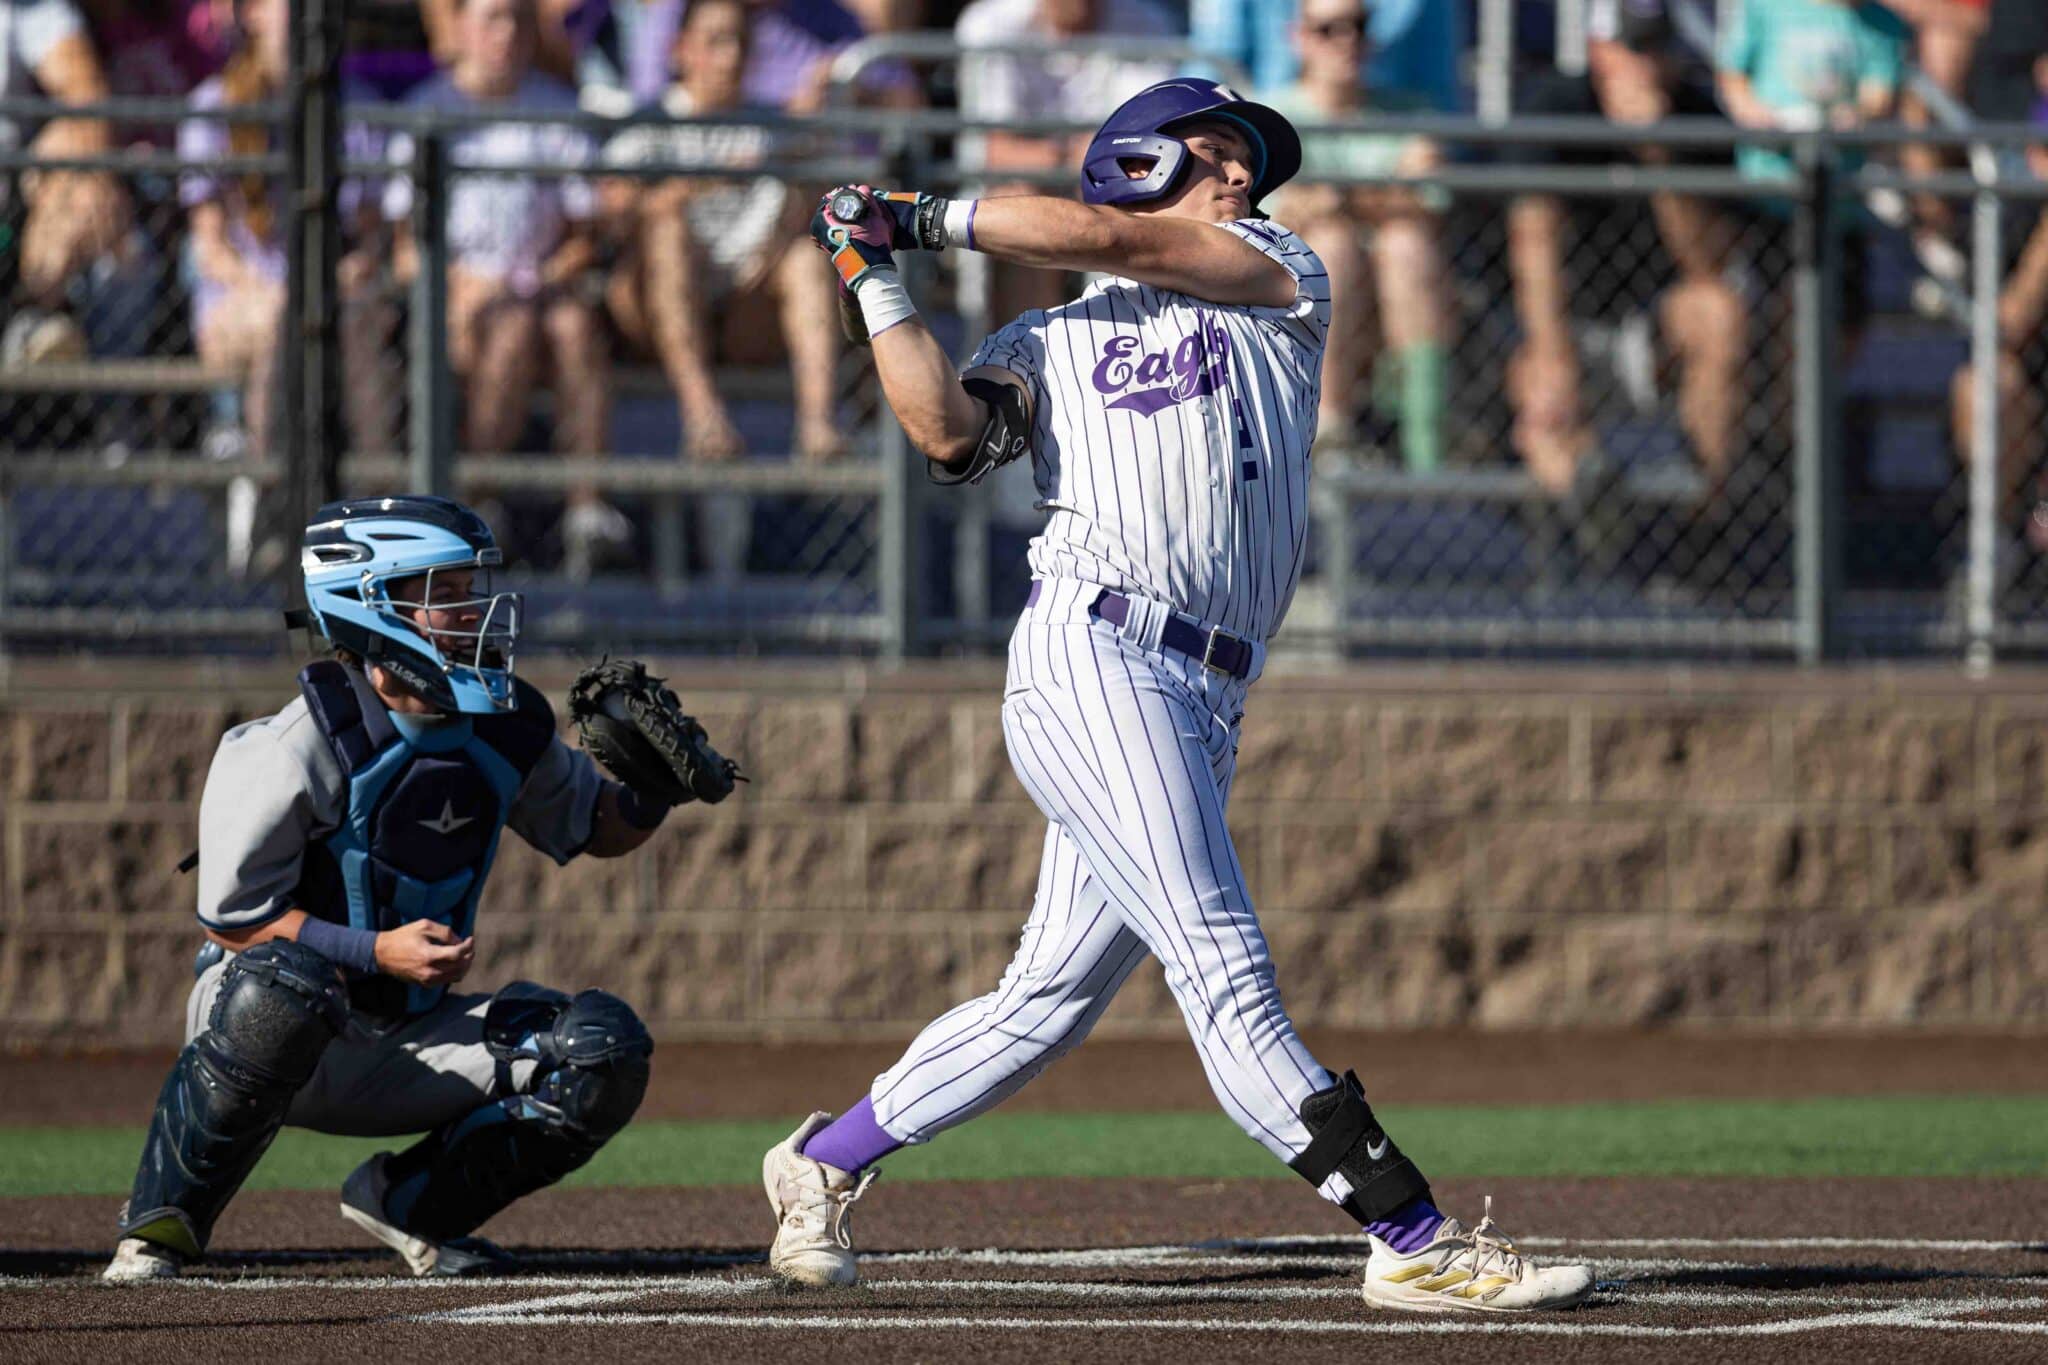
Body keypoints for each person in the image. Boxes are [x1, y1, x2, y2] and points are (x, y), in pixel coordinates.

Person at [761, 77, 1594, 1315]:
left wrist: (921, 214)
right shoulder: (1039, 340)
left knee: (1043, 1005)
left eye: (1245, 159)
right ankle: (1410, 1237)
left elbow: (1117, 242)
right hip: (1093, 656)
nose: (1242, 175)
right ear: (1131, 158)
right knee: (1220, 962)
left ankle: (815, 1167)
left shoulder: (1271, 266)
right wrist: (870, 272)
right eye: (1213, 152)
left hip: (1203, 689)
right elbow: (943, 432)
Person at [99, 495, 722, 1282]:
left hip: (410, 1041)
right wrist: (373, 950)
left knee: (601, 1050)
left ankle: (413, 1207)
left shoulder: (500, 723)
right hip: (273, 1030)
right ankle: (161, 1226)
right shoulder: (293, 745)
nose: (473, 613)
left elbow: (595, 827)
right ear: (371, 603)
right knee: (285, 988)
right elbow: (234, 923)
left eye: (470, 590)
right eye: (445, 594)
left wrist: (654, 791)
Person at [385, 0, 623, 580]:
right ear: (461, 27)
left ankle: (586, 511)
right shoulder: (426, 114)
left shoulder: (557, 110)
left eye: (519, 19)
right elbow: (403, 250)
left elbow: (584, 239)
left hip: (541, 292)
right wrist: (459, 292)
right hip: (456, 302)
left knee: (573, 325)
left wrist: (539, 279)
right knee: (512, 324)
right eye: (494, 19)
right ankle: (479, 503)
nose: (509, 34)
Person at [1504, 0, 1745, 525]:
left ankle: (1708, 517)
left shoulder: (1697, 114)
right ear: (1599, 50)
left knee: (1720, 311)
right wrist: (1552, 353)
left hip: (1653, 328)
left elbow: (1708, 264)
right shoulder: (1556, 103)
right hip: (1569, 325)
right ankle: (1592, 511)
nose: (1650, 65)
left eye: (1660, 48)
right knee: (1535, 377)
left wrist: (1659, 154)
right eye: (1635, 48)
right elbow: (1534, 237)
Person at [600, 0, 845, 465]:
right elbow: (610, 211)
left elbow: (833, 194)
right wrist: (712, 178)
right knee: (667, 233)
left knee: (807, 257)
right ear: (681, 50)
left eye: (740, 43)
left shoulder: (773, 127)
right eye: (716, 42)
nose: (730, 56)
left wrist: (812, 123)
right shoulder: (652, 123)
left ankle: (819, 427)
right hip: (657, 308)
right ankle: (704, 419)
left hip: (747, 305)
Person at [1262, 0, 1447, 469]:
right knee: (1334, 247)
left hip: (1393, 291)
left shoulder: (1409, 112)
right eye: (1330, 29)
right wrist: (1379, 198)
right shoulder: (1266, 117)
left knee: (1405, 245)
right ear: (1299, 38)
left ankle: (1426, 444)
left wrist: (1337, 200)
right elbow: (1271, 221)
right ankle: (1332, 434)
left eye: (1358, 27)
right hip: (1293, 302)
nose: (1347, 41)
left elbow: (1429, 202)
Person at [954, 0, 1178, 325]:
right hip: (1042, 178)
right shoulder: (988, 23)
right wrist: (1082, 157)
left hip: (1104, 180)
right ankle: (1026, 355)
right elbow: (997, 150)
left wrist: (1083, 163)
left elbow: (1142, 142)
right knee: (1023, 207)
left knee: (1128, 202)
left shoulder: (1150, 21)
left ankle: (1118, 345)